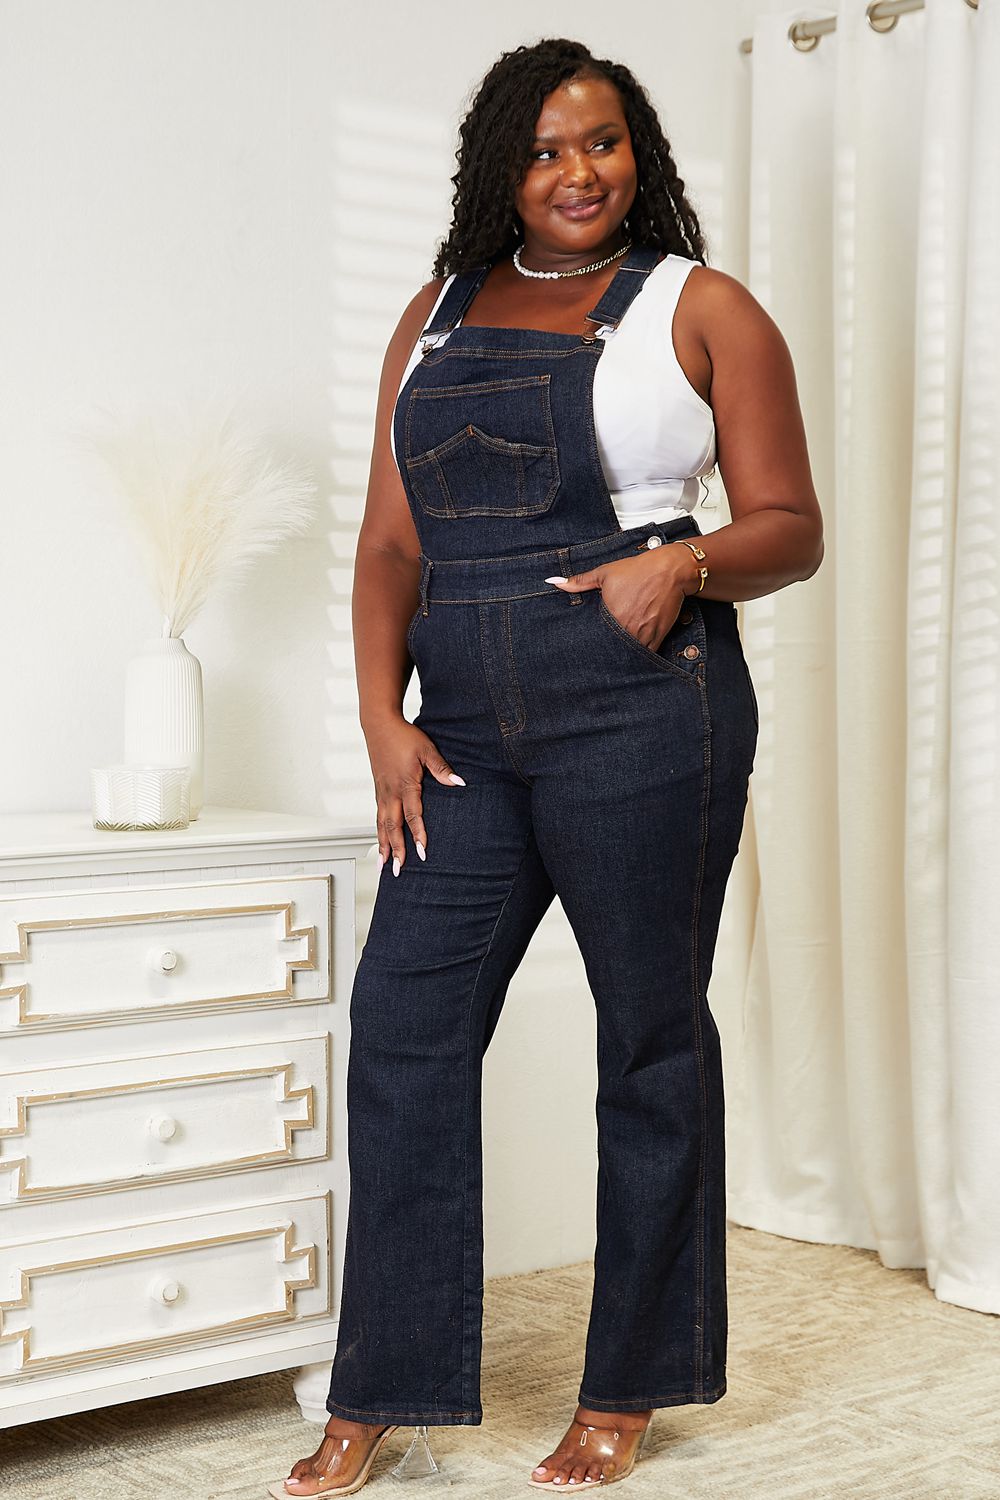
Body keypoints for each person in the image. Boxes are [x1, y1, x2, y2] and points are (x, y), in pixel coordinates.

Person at [268, 34, 823, 1500]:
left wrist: (687, 566)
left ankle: (629, 1385)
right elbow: (394, 545)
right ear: (498, 169)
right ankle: (376, 1386)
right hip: (459, 731)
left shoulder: (700, 311)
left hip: (646, 709)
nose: (580, 174)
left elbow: (791, 523)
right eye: (547, 150)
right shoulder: (434, 315)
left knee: (647, 1038)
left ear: (639, 155)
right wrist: (386, 723)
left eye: (606, 143)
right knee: (401, 1031)